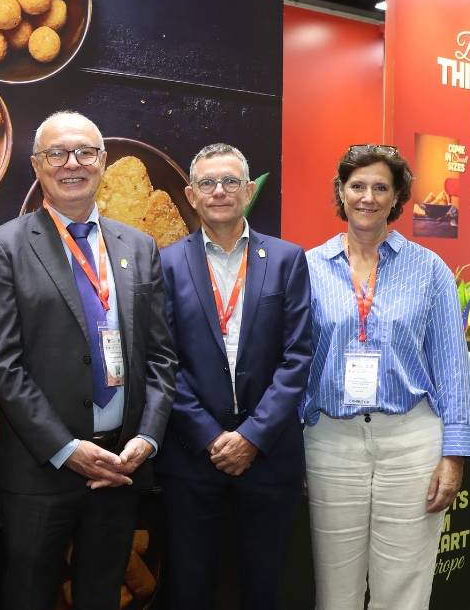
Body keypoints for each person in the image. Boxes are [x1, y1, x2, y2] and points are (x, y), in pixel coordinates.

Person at [0, 111, 177, 610]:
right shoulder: (4, 246)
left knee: (101, 594)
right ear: (37, 165)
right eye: (58, 154)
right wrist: (67, 448)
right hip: (44, 469)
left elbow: (160, 357)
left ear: (103, 162)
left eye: (85, 152)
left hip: (121, 465)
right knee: (30, 595)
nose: (73, 164)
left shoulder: (140, 245)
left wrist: (146, 439)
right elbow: (2, 363)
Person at [302, 144, 470, 609]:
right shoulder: (309, 268)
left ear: (397, 196)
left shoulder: (429, 270)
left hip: (411, 440)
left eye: (381, 187)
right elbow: (294, 361)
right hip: (330, 440)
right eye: (357, 186)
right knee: (335, 586)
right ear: (341, 192)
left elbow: (452, 367)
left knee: (404, 586)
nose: (368, 197)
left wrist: (454, 455)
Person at [156, 143, 312, 610]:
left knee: (264, 586)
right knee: (191, 585)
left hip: (268, 456)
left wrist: (252, 435)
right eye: (207, 183)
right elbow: (163, 361)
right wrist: (210, 435)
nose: (219, 191)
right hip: (191, 458)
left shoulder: (287, 259)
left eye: (229, 182)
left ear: (248, 191)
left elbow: (298, 356)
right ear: (190, 194)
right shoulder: (164, 262)